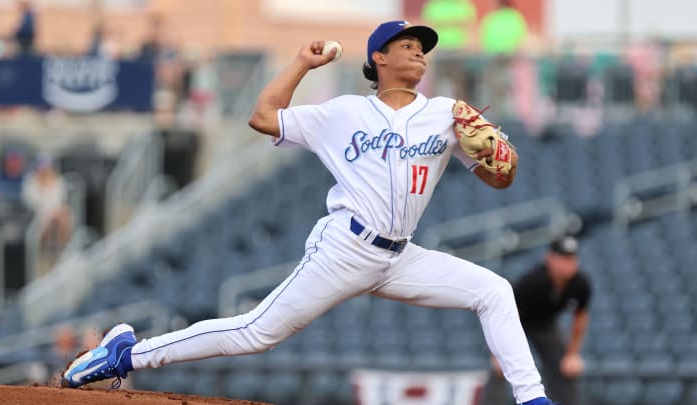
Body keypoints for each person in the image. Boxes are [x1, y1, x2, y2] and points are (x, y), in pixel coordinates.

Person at [61, 20, 559, 405]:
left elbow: (500, 178)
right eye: (406, 44)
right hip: (345, 246)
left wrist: (500, 162)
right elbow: (262, 117)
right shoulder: (341, 113)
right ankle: (126, 354)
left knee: (493, 290)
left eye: (421, 46)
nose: (418, 51)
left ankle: (532, 398)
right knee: (256, 333)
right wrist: (301, 63)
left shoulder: (447, 112)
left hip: (401, 257)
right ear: (379, 58)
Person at [479, 236, 591, 405]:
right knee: (500, 367)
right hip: (516, 323)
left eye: (572, 258)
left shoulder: (580, 283)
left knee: (565, 365)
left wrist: (573, 353)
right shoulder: (532, 282)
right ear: (550, 258)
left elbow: (581, 316)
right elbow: (504, 315)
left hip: (546, 325)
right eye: (563, 258)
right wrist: (497, 353)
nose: (568, 264)